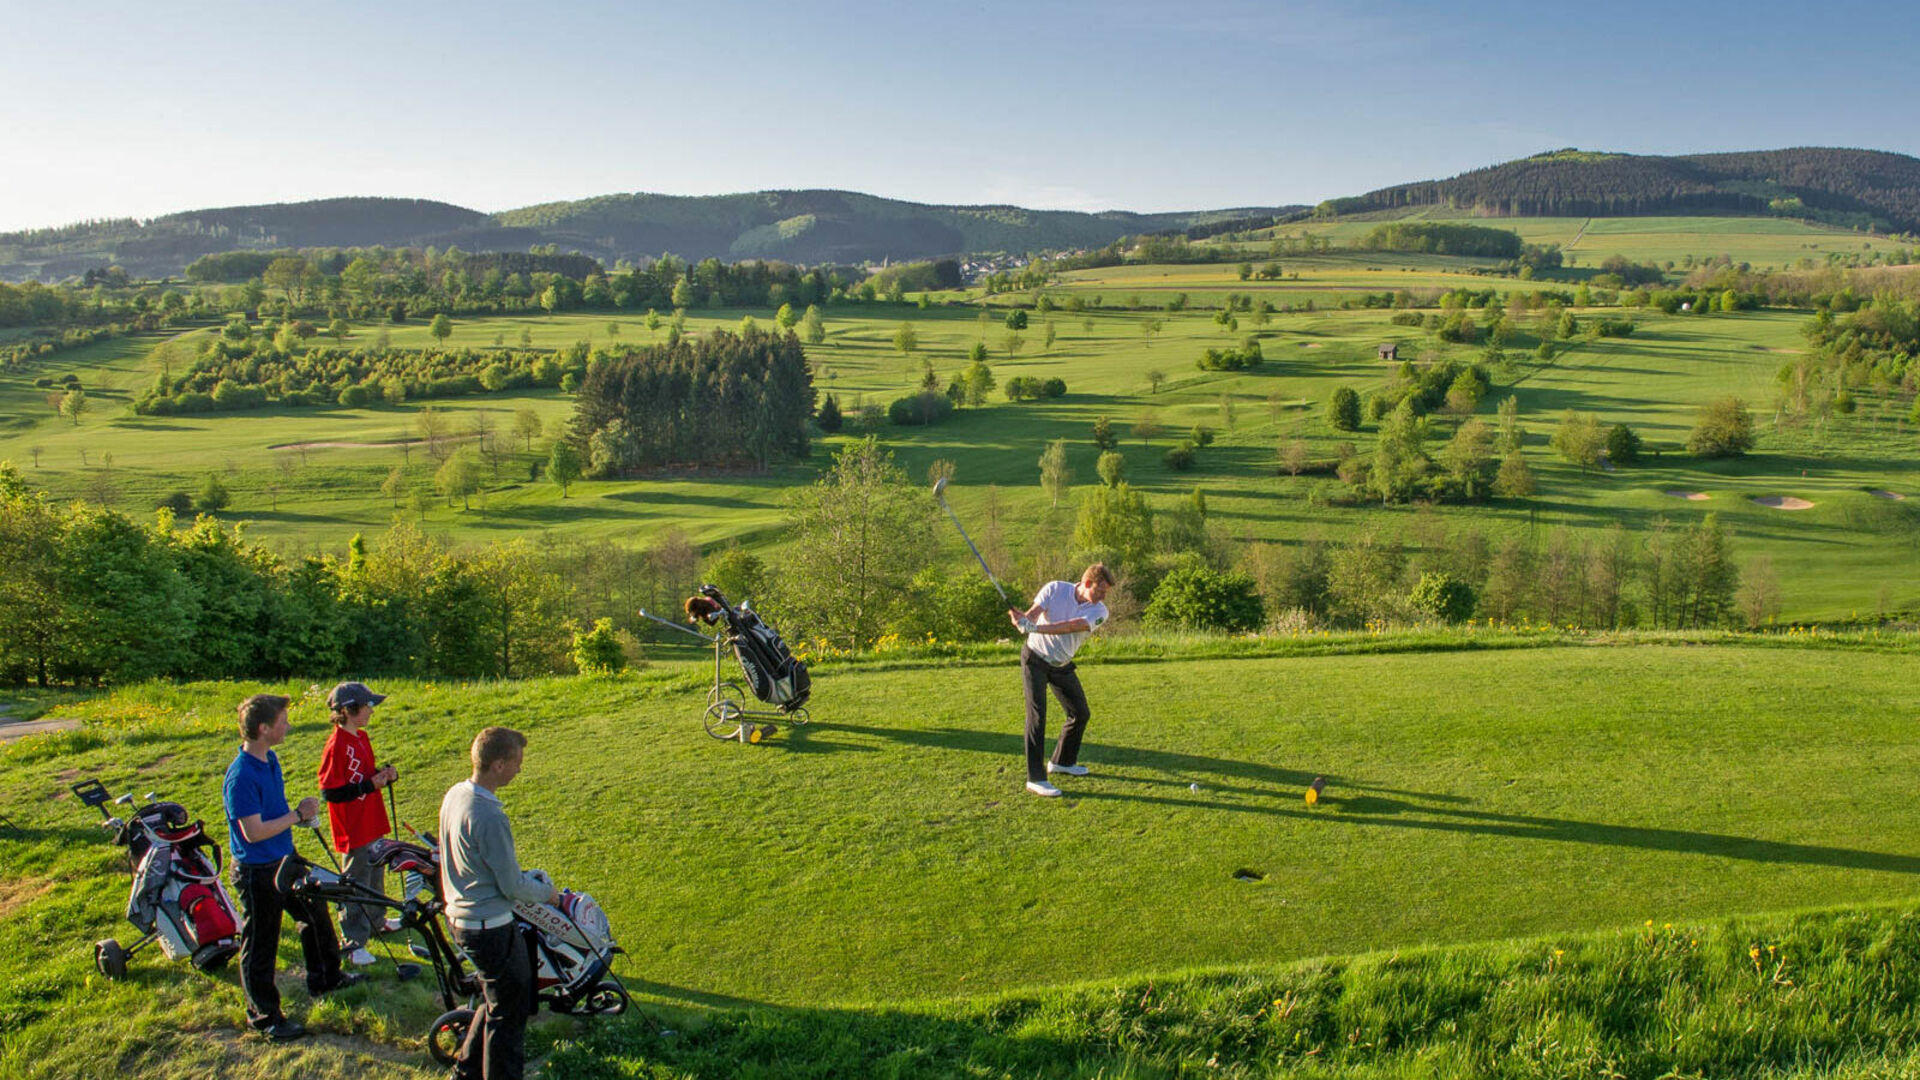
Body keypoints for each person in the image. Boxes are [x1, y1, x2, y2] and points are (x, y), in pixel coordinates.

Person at [223, 693, 361, 1041]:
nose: (288, 726)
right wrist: (296, 815)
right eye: (283, 721)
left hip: (285, 858)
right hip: (257, 869)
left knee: (315, 917)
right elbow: (253, 833)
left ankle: (327, 979)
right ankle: (265, 1017)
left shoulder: (270, 760)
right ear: (263, 728)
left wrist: (297, 820)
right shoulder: (240, 776)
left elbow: (272, 817)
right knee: (261, 944)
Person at [439, 727, 558, 1080]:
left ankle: (468, 1069)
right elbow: (511, 885)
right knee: (510, 1013)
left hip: (461, 917)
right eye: (517, 763)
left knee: (496, 1001)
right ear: (499, 764)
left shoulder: (456, 794)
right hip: (488, 927)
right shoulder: (489, 815)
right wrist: (548, 895)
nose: (520, 770)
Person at [1008, 563, 1114, 797]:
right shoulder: (1055, 588)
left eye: (1105, 593)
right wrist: (1022, 621)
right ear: (1087, 583)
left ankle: (1062, 762)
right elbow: (1032, 615)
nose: (1103, 597)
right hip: (1034, 659)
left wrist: (1033, 627)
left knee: (1080, 713)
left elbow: (1072, 626)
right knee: (1037, 717)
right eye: (1100, 591)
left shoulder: (1100, 611)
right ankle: (1035, 779)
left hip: (1061, 665)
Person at [316, 681, 399, 967]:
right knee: (356, 881)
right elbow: (330, 791)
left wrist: (383, 775)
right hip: (353, 826)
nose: (371, 711)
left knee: (375, 873)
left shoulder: (361, 737)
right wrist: (368, 786)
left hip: (372, 820)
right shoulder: (336, 745)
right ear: (350, 710)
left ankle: (377, 921)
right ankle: (353, 941)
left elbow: (363, 775)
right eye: (367, 706)